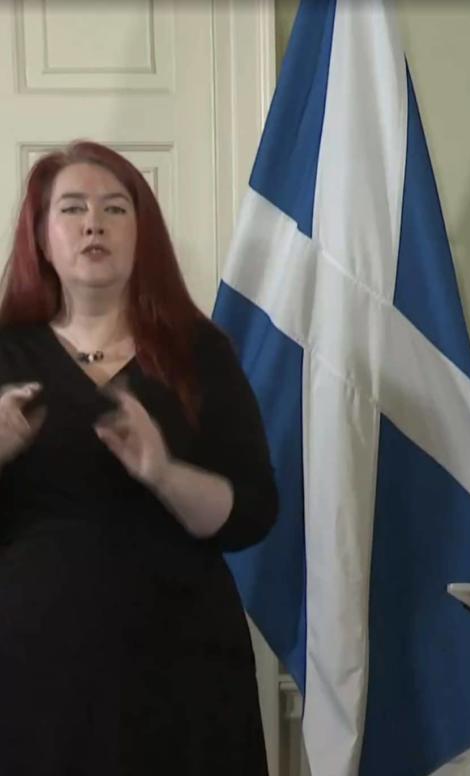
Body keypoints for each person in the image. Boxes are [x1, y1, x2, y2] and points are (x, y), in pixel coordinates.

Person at [0, 141, 278, 775]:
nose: (93, 223)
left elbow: (256, 513)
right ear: (43, 238)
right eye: (72, 208)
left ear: (141, 234)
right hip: (31, 684)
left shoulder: (199, 355)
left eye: (115, 208)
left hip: (183, 675)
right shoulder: (5, 357)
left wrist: (165, 474)